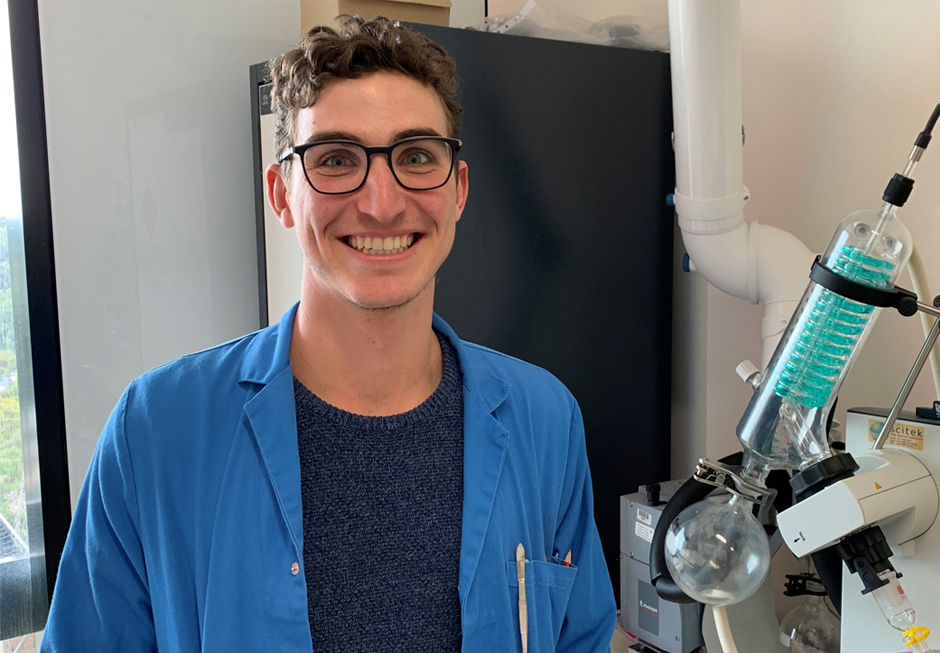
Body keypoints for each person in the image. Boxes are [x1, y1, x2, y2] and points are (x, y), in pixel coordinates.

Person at [40, 16, 616, 653]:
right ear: (282, 194)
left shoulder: (545, 420)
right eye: (337, 159)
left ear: (458, 192)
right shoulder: (156, 430)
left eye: (417, 156)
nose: (381, 204)